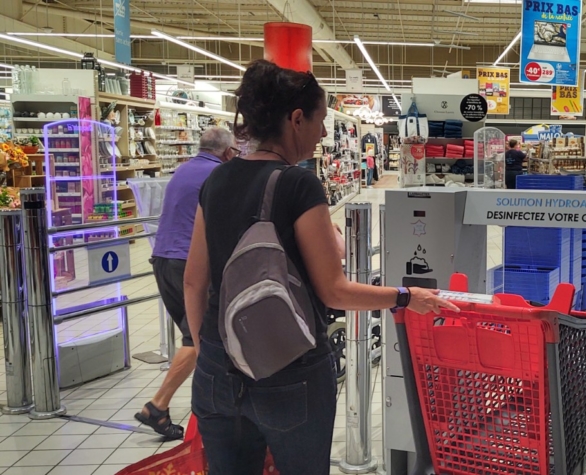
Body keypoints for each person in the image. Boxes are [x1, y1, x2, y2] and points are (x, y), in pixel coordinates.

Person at [183, 59, 458, 475]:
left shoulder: (215, 181)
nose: (325, 133)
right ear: (296, 119)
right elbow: (335, 291)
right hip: (289, 370)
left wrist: (209, 355)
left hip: (218, 371)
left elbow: (192, 281)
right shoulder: (297, 184)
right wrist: (406, 297)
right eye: (321, 120)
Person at [134, 127, 237, 439]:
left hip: (162, 260)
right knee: (198, 337)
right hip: (187, 264)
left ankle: (170, 407)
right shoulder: (219, 175)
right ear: (228, 152)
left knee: (192, 335)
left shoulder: (183, 170)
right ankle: (157, 406)